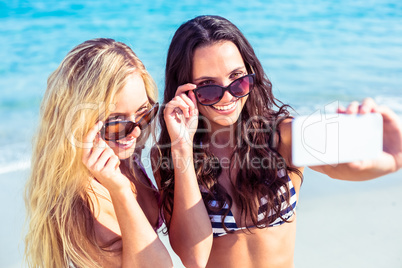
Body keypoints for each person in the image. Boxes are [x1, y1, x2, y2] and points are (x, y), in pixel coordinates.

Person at [153, 15, 402, 267]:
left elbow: (346, 165)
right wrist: (182, 149)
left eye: (238, 79)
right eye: (208, 86)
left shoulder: (281, 135)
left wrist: (394, 159)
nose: (228, 95)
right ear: (184, 90)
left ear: (251, 73)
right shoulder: (169, 154)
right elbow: (193, 257)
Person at [24, 38, 173, 268]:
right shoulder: (74, 206)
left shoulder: (127, 160)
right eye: (116, 123)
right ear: (81, 122)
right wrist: (120, 190)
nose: (134, 132)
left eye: (143, 113)